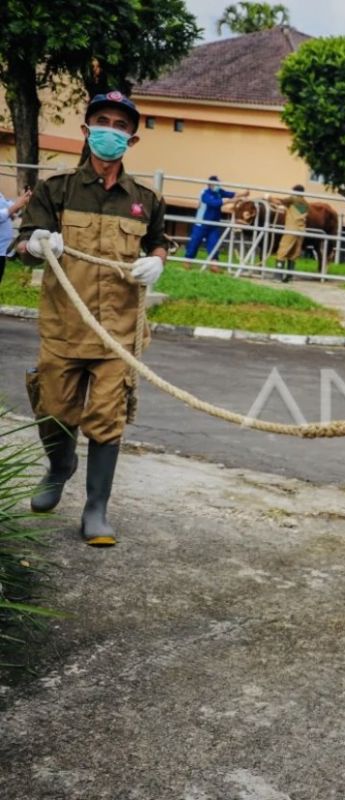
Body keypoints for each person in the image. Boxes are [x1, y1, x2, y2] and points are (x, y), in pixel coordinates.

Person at [15, 90, 167, 547]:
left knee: (106, 418)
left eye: (121, 127)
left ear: (132, 139)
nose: (111, 132)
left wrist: (157, 261)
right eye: (102, 121)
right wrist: (38, 242)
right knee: (54, 411)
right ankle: (60, 467)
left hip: (118, 334)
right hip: (64, 328)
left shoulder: (144, 199)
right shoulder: (55, 190)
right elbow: (22, 248)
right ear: (86, 131)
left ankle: (96, 508)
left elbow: (159, 241)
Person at [183, 175, 247, 260]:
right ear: (209, 185)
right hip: (202, 224)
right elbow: (215, 203)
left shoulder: (219, 192)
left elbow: (231, 194)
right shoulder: (205, 194)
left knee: (214, 243)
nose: (217, 186)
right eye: (215, 184)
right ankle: (187, 261)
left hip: (214, 224)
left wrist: (243, 193)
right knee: (194, 243)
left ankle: (214, 263)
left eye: (218, 184)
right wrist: (230, 201)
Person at [267, 184, 307, 283]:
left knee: (282, 251)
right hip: (301, 231)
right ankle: (289, 277)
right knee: (293, 254)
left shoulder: (293, 199)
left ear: (295, 192)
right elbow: (295, 212)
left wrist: (268, 197)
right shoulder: (305, 203)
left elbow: (279, 201)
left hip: (291, 230)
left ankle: (278, 277)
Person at [0, 187, 33, 283]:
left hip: (2, 251)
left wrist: (22, 201)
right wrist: (14, 207)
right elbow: (7, 211)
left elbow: (8, 207)